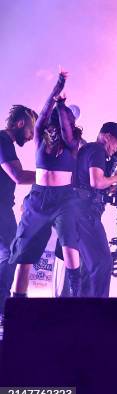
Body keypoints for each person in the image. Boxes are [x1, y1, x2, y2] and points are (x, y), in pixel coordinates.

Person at [10, 70, 83, 298]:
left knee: (70, 246)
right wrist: (58, 86)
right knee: (24, 255)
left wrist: (61, 105)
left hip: (63, 201)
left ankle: (75, 297)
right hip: (39, 199)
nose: (56, 129)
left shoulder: (72, 144)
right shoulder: (40, 137)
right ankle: (16, 305)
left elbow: (65, 127)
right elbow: (42, 115)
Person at [74, 122, 117, 297]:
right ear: (107, 137)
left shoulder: (89, 151)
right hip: (85, 214)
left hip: (78, 213)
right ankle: (98, 312)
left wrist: (110, 184)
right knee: (102, 263)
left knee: (87, 267)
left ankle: (83, 314)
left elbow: (93, 184)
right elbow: (96, 182)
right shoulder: (97, 150)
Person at [0, 105, 37, 323]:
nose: (32, 136)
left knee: (10, 254)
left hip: (4, 209)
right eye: (31, 130)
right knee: (13, 253)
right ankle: (4, 309)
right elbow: (19, 176)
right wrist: (51, 176)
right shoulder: (3, 140)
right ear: (20, 123)